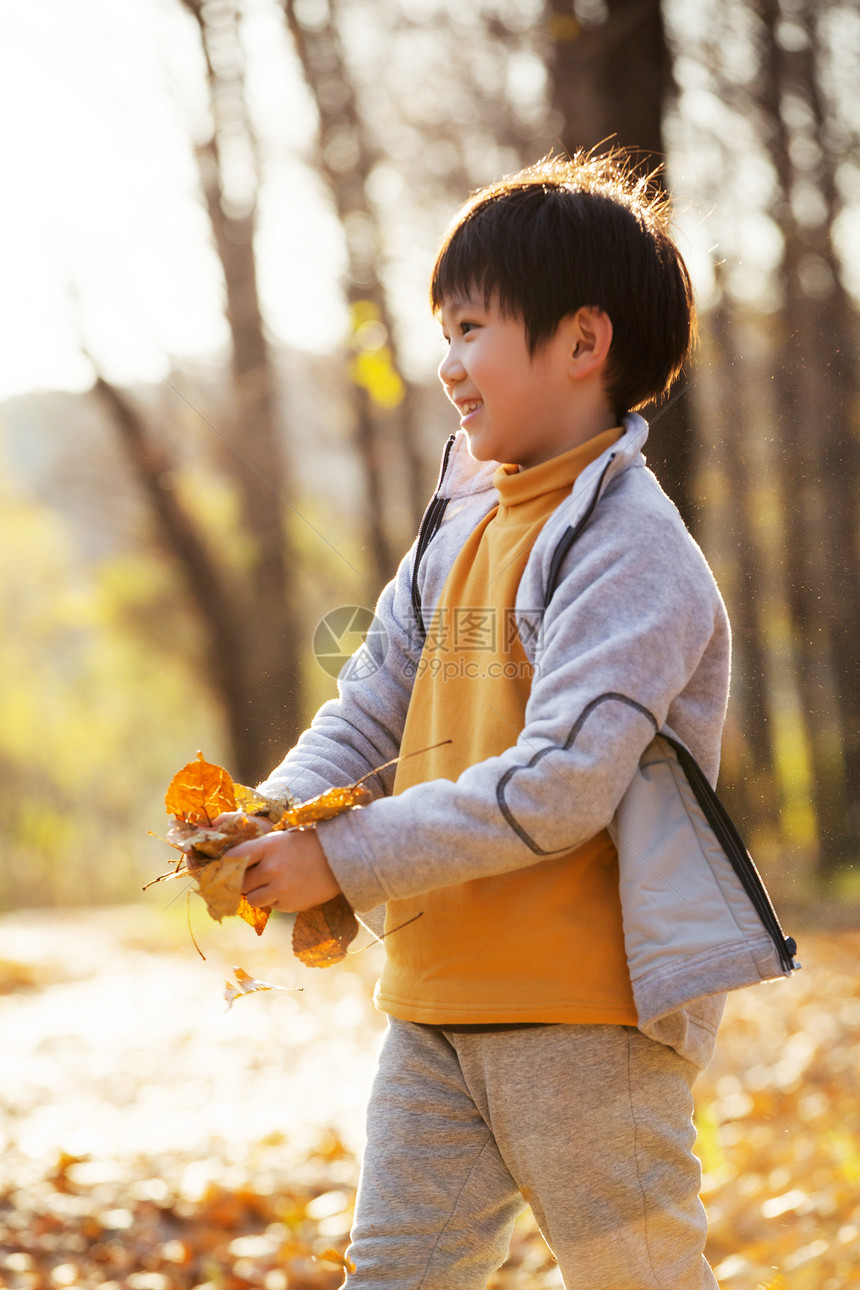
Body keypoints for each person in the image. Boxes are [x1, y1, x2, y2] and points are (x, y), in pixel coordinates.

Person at [228, 151, 744, 1289]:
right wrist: (268, 813)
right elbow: (367, 705)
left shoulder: (632, 555)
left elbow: (560, 783)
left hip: (584, 1022)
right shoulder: (458, 529)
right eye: (443, 333)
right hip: (432, 1010)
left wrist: (341, 856)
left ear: (580, 342)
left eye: (470, 330)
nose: (447, 364)